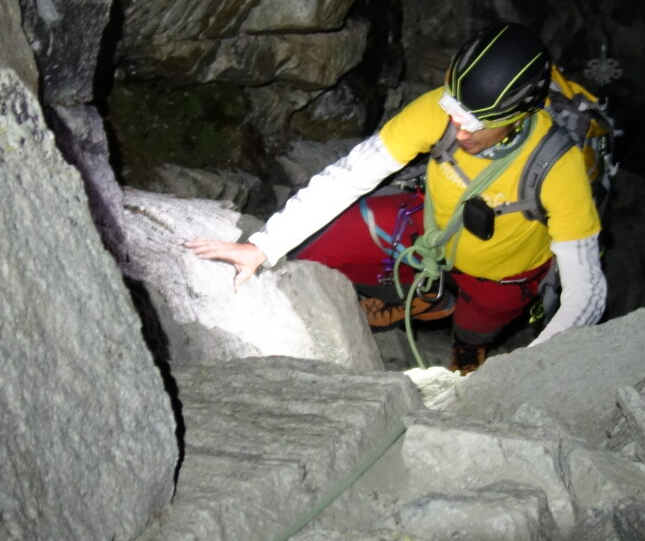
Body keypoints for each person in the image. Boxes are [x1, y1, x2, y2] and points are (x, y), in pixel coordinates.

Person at [186, 22, 607, 372]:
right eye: (454, 110)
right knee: (315, 248)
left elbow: (586, 290)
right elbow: (351, 174)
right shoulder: (437, 111)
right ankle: (427, 298)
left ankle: (462, 346)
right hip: (430, 231)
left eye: (476, 123)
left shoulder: (558, 168)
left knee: (472, 333)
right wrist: (263, 246)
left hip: (501, 278)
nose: (459, 129)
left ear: (519, 116)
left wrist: (530, 368)